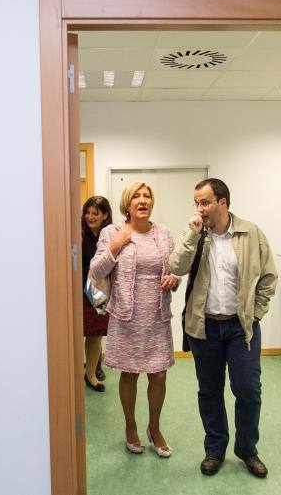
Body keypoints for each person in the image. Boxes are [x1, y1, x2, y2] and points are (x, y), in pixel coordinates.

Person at [169, 178, 277, 478]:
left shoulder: (250, 233)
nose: (199, 209)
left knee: (248, 390)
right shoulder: (195, 234)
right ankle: (215, 449)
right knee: (210, 391)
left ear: (223, 202)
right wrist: (191, 236)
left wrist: (254, 314)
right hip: (204, 328)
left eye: (205, 202)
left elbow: (268, 277)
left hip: (241, 328)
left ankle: (246, 448)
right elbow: (176, 267)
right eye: (196, 203)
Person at [89, 182, 180, 458]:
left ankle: (154, 427)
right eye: (137, 197)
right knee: (129, 374)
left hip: (156, 316)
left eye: (147, 196)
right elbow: (96, 270)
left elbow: (175, 269)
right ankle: (130, 426)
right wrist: (116, 246)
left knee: (159, 374)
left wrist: (174, 279)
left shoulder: (163, 234)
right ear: (127, 204)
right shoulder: (112, 232)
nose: (143, 200)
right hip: (127, 316)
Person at [81, 196, 113, 392]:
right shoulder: (77, 233)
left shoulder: (109, 235)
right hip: (77, 291)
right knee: (74, 335)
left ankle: (91, 374)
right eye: (87, 212)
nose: (90, 216)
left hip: (99, 291)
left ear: (105, 215)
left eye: (95, 213)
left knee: (95, 336)